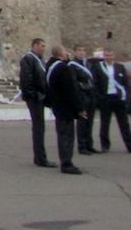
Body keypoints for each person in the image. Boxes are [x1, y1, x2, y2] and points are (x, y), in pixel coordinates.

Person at [46, 45, 85, 174]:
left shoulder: (50, 67)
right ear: (61, 54)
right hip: (65, 107)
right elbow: (70, 90)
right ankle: (67, 163)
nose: (67, 54)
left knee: (62, 135)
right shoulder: (62, 68)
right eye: (65, 52)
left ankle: (65, 160)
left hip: (57, 105)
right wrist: (79, 107)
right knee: (67, 136)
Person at [19, 37, 56, 168]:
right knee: (38, 128)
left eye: (44, 46)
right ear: (34, 46)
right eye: (41, 46)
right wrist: (33, 95)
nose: (43, 49)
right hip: (35, 98)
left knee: (40, 128)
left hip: (40, 96)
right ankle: (41, 158)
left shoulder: (39, 60)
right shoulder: (28, 59)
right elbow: (26, 79)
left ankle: (40, 157)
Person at [94, 48, 131, 154]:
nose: (109, 57)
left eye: (111, 55)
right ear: (104, 56)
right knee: (105, 124)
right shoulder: (98, 67)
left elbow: (125, 84)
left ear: (114, 56)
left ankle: (130, 146)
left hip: (118, 98)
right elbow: (95, 84)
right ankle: (105, 146)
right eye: (107, 55)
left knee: (124, 124)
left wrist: (126, 97)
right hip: (106, 98)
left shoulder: (120, 67)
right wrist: (100, 98)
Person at [69, 44, 97, 155]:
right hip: (82, 95)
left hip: (91, 95)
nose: (81, 52)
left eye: (83, 50)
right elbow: (74, 82)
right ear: (75, 52)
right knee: (82, 122)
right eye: (79, 50)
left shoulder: (88, 64)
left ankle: (89, 144)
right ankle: (82, 146)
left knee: (90, 122)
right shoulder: (72, 65)